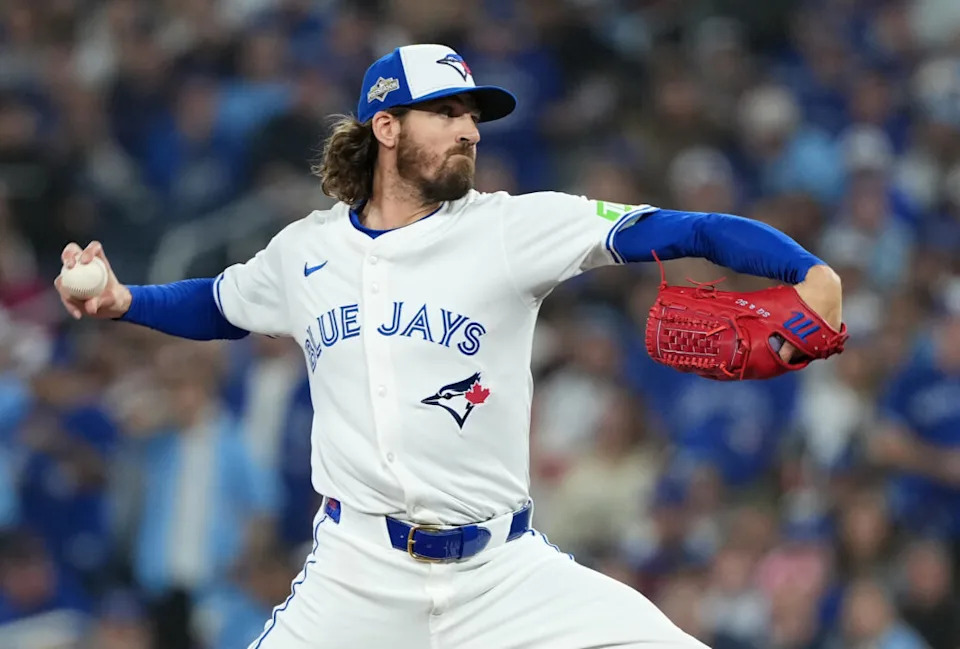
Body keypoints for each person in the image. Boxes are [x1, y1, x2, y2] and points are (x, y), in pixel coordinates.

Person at [54, 44, 842, 649]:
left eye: (474, 114)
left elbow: (682, 228)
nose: (469, 128)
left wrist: (803, 269)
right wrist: (124, 301)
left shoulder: (508, 228)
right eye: (446, 111)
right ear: (387, 127)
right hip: (357, 571)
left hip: (503, 570)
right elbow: (220, 303)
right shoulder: (305, 251)